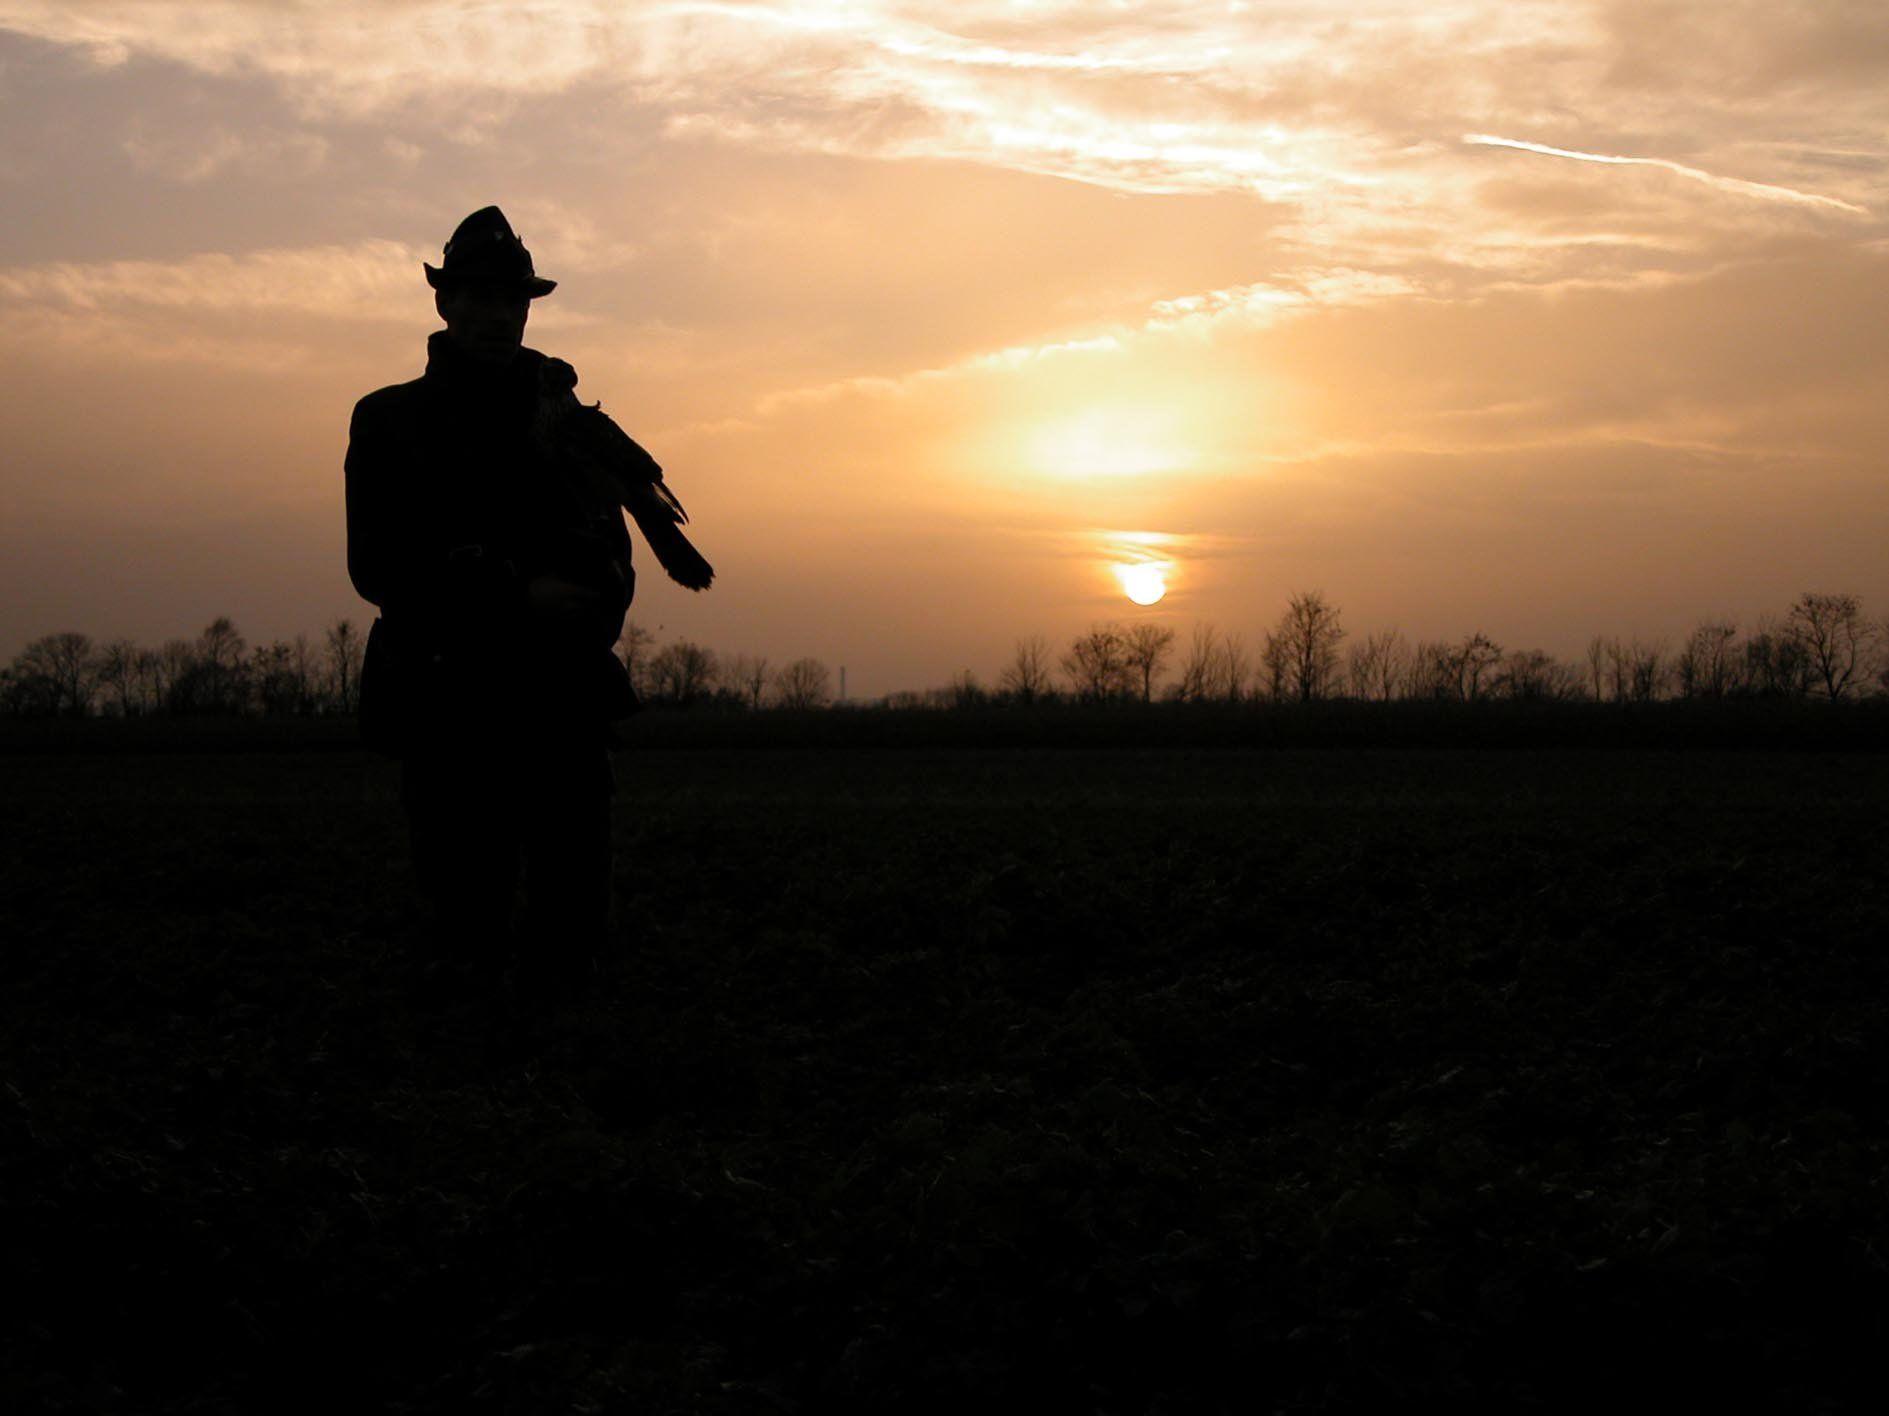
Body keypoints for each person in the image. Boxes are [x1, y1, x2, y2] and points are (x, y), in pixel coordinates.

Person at [344, 205, 638, 1002]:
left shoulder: (572, 424)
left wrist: (593, 606)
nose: (499, 314)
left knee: (571, 941)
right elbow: (377, 568)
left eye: (513, 300)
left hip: (562, 714)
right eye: (480, 296)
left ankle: (561, 1101)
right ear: (445, 304)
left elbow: (616, 555)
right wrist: (519, 598)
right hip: (451, 713)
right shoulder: (389, 422)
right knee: (464, 938)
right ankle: (465, 1101)